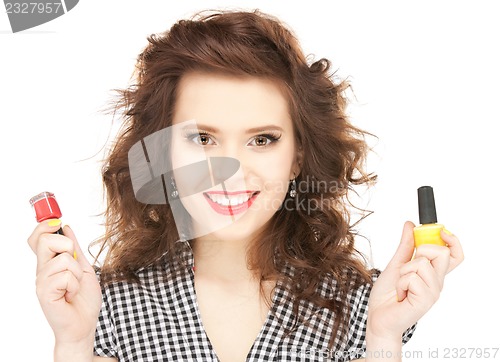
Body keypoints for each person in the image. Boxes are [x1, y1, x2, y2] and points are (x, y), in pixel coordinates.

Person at [27, 10, 464, 362]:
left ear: (296, 158)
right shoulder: (107, 306)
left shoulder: (360, 308)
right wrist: (73, 347)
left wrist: (384, 338)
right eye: (202, 139)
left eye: (262, 139)